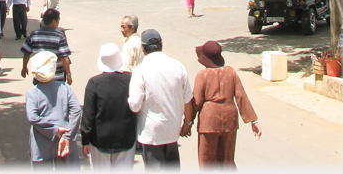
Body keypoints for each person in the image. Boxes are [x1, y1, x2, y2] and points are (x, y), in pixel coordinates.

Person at [128, 29, 193, 168]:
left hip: (151, 135)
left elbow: (134, 105)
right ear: (162, 43)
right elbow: (188, 99)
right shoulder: (178, 65)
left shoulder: (140, 70)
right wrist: (187, 124)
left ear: (142, 47)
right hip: (172, 131)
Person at [192, 41, 261, 167]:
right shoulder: (231, 72)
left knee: (207, 162)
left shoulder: (202, 75)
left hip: (209, 122)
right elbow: (241, 97)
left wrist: (188, 121)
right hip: (229, 120)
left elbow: (196, 102)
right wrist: (253, 121)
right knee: (227, 161)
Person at [82, 43, 137, 168]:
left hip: (100, 140)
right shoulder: (130, 80)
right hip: (125, 138)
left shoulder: (94, 83)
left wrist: (85, 140)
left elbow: (88, 115)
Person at [25, 50, 81, 167]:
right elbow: (76, 110)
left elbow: (33, 118)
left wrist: (54, 130)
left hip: (41, 145)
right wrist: (67, 136)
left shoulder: (32, 93)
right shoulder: (64, 88)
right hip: (64, 142)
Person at [21, 8, 72, 85]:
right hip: (56, 79)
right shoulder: (59, 36)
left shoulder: (33, 35)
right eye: (58, 21)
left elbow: (26, 53)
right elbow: (64, 57)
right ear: (54, 22)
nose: (58, 23)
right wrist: (68, 74)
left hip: (39, 78)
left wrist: (24, 68)